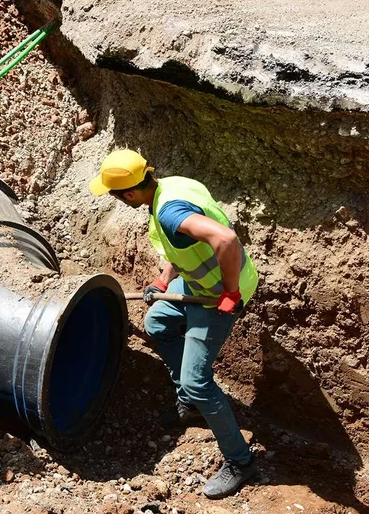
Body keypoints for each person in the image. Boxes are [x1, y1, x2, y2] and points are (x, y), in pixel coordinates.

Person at [89, 149, 259, 499]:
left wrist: (229, 293)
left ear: (131, 194)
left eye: (115, 195)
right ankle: (192, 405)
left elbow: (224, 240)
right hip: (200, 283)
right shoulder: (171, 187)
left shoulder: (169, 211)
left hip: (218, 293)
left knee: (199, 381)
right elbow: (181, 250)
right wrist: (164, 282)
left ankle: (240, 461)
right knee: (158, 323)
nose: (116, 200)